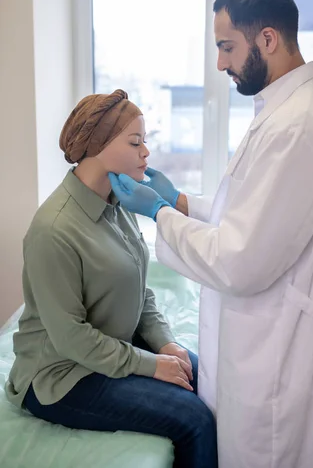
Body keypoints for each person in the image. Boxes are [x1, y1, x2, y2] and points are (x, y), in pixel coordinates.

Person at [110, 0, 313, 468]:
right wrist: (179, 201)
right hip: (266, 342)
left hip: (277, 359)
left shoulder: (300, 126)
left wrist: (157, 213)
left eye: (227, 47)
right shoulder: (284, 112)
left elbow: (241, 259)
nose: (220, 62)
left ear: (267, 39)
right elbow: (251, 215)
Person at [5, 89, 218, 468]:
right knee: (196, 419)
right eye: (135, 142)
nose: (146, 153)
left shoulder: (117, 204)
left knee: (214, 385)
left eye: (145, 142)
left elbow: (140, 287)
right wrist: (152, 365)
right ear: (98, 146)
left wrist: (165, 343)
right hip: (63, 375)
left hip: (110, 346)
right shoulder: (53, 230)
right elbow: (71, 338)